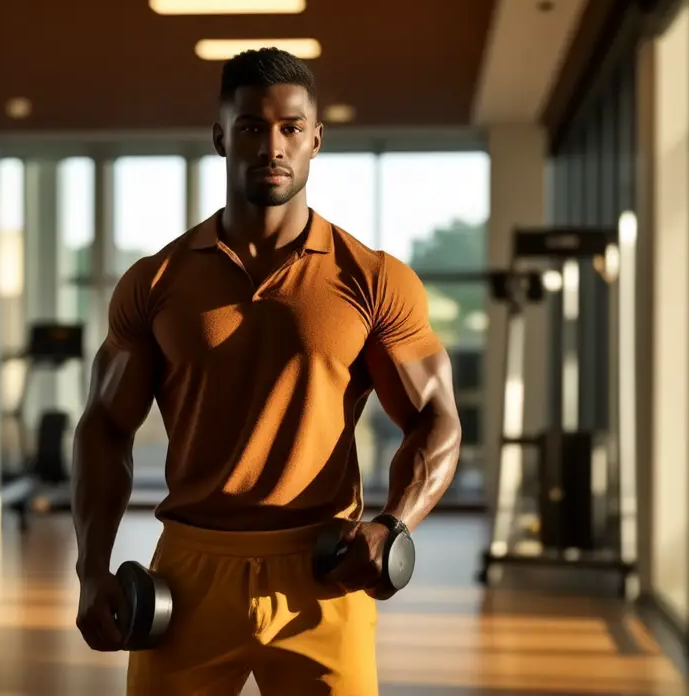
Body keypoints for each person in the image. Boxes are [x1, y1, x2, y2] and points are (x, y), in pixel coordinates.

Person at [72, 47, 462, 695]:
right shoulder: (156, 281)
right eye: (252, 126)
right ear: (221, 136)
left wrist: (394, 524)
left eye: (290, 128)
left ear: (315, 139)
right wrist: (91, 571)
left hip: (322, 570)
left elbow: (437, 419)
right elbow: (104, 426)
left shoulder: (372, 279)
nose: (272, 145)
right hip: (193, 570)